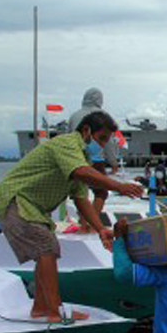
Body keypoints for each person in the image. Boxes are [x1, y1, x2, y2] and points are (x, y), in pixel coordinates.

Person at [0, 111, 143, 322]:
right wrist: (119, 186)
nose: (103, 145)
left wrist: (100, 229)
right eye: (102, 138)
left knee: (46, 250)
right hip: (17, 201)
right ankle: (54, 311)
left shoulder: (80, 157)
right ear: (86, 130)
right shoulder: (67, 144)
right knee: (47, 248)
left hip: (33, 208)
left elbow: (81, 199)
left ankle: (41, 308)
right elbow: (81, 172)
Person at [69, 88, 121, 232]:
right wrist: (113, 162)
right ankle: (92, 223)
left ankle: (83, 223)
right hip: (96, 160)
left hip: (75, 158)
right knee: (101, 192)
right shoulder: (103, 116)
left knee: (80, 193)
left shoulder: (74, 115)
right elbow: (109, 143)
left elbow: (68, 136)